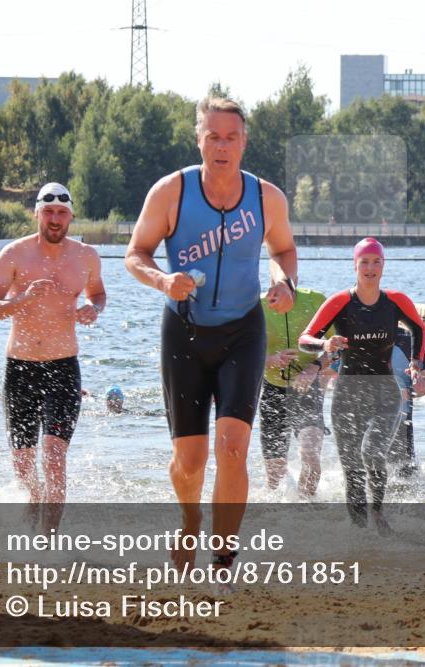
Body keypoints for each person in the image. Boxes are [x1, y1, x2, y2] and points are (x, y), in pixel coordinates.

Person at [124, 96, 297, 575]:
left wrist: (284, 282)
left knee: (233, 448)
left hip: (243, 329)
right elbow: (135, 253)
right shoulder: (171, 192)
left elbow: (283, 250)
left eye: (231, 138)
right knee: (191, 460)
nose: (222, 146)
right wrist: (163, 280)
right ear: (199, 139)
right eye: (213, 137)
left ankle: (224, 557)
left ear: (244, 142)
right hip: (184, 332)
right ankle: (189, 519)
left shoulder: (266, 197)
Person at [0, 182, 105, 532]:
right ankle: (34, 500)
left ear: (71, 216)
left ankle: (49, 540)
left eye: (61, 213)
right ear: (37, 214)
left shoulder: (86, 256)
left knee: (53, 455)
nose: (54, 219)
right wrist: (23, 299)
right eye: (48, 212)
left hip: (63, 367)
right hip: (20, 368)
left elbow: (98, 293)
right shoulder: (14, 254)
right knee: (23, 464)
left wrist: (93, 309)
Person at [299, 238, 425, 535]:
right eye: (364, 262)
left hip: (385, 392)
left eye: (376, 262)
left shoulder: (395, 301)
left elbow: (418, 328)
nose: (370, 268)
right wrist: (324, 344)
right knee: (353, 471)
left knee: (372, 452)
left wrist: (416, 362)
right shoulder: (340, 302)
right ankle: (359, 536)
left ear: (383, 265)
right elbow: (305, 339)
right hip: (347, 394)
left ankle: (378, 512)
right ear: (354, 266)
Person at [260, 286, 331, 497]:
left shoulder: (316, 300)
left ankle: (306, 508)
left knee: (311, 459)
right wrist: (270, 360)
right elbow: (242, 352)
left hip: (307, 389)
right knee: (275, 478)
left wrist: (314, 367)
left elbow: (337, 348)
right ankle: (281, 513)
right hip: (272, 392)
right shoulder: (257, 305)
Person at [387, 324, 425, 477]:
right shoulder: (355, 335)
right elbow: (335, 371)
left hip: (400, 421)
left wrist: (412, 390)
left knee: (404, 479)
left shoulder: (407, 339)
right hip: (363, 418)